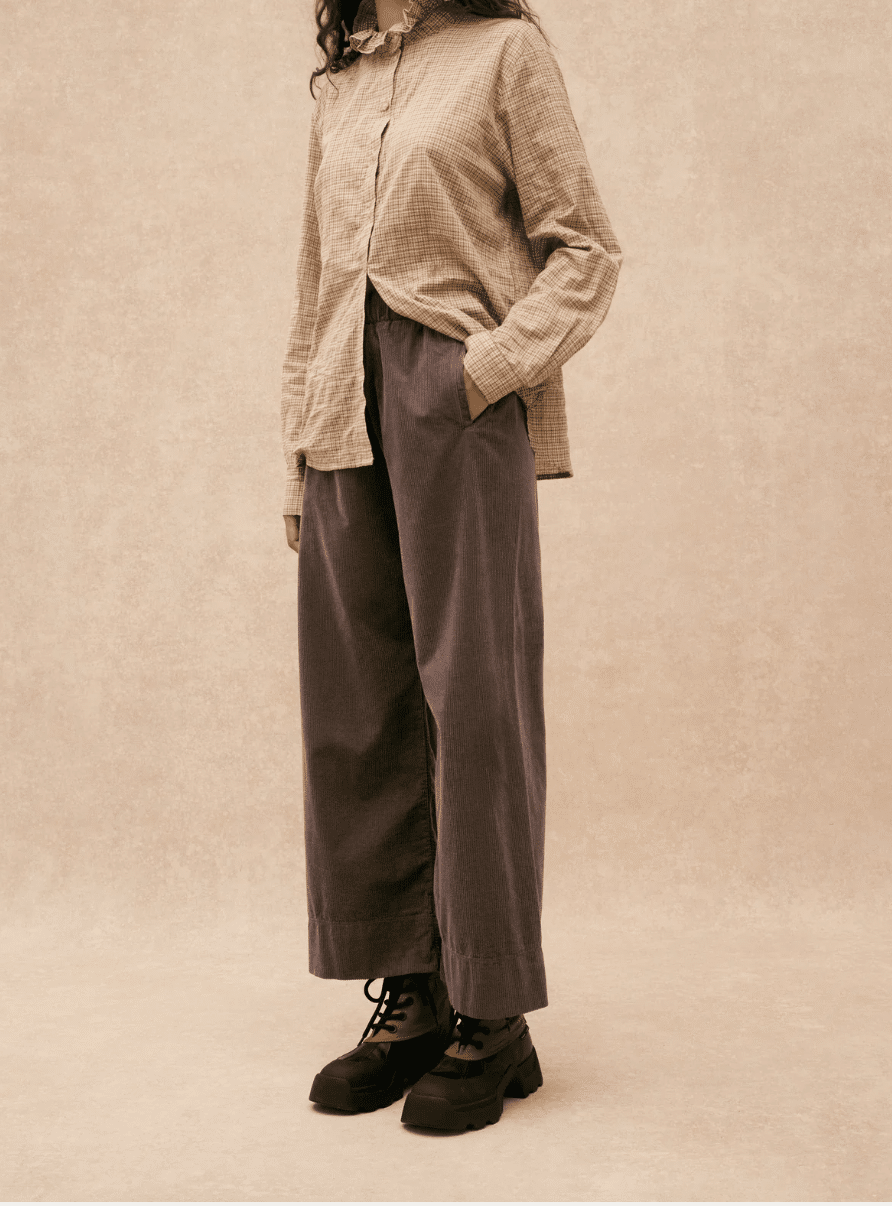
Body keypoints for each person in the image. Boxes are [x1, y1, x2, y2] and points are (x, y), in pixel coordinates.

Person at [280, 0, 622, 1132]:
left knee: (473, 702)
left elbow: (586, 247)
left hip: (453, 402)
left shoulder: (504, 53)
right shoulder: (341, 83)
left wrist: (483, 370)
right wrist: (298, 458)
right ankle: (412, 991)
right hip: (342, 411)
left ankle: (493, 1006)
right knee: (358, 708)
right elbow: (315, 288)